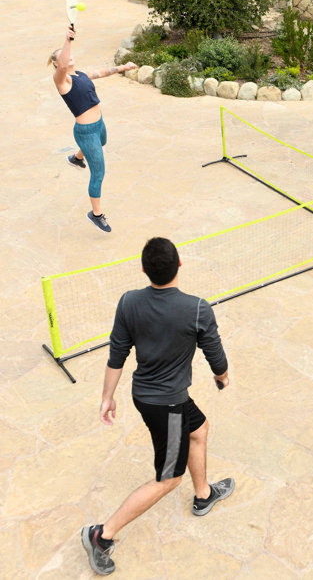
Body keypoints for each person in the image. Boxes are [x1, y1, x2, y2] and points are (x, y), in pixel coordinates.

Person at [81, 237, 233, 576]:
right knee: (168, 479)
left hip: (144, 395)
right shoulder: (196, 308)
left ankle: (204, 493)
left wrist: (107, 396)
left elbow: (117, 355)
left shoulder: (129, 302)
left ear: (144, 270)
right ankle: (101, 536)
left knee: (201, 429)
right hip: (169, 404)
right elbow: (216, 356)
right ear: (180, 265)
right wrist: (222, 377)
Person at [50, 24, 136, 233]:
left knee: (103, 142)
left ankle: (77, 158)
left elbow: (101, 72)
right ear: (56, 63)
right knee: (98, 173)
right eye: (63, 56)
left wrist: (122, 68)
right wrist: (68, 40)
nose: (67, 57)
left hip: (99, 125)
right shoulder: (62, 80)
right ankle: (96, 215)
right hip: (86, 131)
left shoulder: (80, 74)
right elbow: (62, 67)